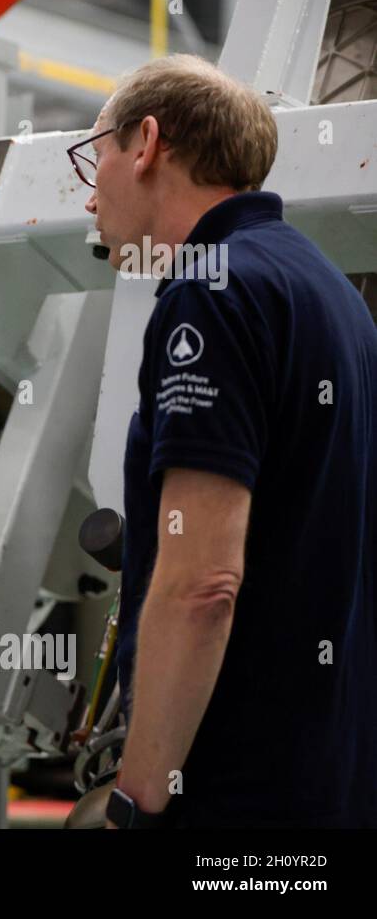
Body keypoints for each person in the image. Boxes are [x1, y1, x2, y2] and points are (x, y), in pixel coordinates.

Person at [69, 54, 377, 828]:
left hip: (239, 796)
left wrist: (136, 801)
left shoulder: (212, 292)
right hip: (331, 780)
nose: (88, 188)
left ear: (145, 143)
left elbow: (204, 583)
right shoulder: (332, 292)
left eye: (93, 151)